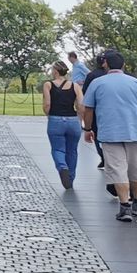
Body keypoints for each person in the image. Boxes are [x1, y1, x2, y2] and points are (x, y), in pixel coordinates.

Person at [81, 50, 137, 223]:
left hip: (109, 133)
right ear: (123, 65)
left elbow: (88, 109)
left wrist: (88, 129)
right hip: (134, 132)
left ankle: (124, 207)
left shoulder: (97, 83)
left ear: (105, 64)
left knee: (117, 169)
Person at [41, 61, 82, 189]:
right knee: (72, 151)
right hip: (73, 120)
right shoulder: (75, 86)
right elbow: (80, 105)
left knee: (57, 149)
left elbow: (47, 104)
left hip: (56, 119)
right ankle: (70, 178)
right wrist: (80, 119)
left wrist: (48, 114)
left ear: (56, 71)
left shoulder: (48, 85)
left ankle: (62, 167)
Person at [80, 53, 110, 171]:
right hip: (110, 108)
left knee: (97, 133)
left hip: (96, 109)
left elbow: (85, 92)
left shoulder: (92, 75)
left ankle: (103, 156)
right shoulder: (113, 74)